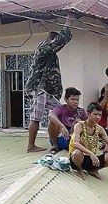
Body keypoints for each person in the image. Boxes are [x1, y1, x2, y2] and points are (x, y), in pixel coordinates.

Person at [25, 14, 73, 152]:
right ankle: (31, 146)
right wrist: (68, 21)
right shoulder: (44, 48)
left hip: (48, 90)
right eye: (55, 43)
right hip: (39, 88)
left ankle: (55, 143)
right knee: (36, 117)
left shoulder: (50, 54)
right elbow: (62, 40)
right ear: (50, 40)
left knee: (60, 112)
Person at [69, 102, 108, 179]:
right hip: (78, 159)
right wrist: (90, 153)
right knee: (77, 153)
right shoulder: (79, 125)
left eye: (100, 115)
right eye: (95, 114)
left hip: (91, 159)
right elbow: (75, 143)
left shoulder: (99, 129)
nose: (98, 117)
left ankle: (93, 170)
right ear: (88, 114)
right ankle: (79, 170)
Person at [47, 87, 87, 153]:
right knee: (52, 122)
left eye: (77, 100)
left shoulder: (81, 111)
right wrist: (62, 126)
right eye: (72, 99)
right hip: (60, 137)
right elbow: (50, 115)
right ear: (66, 100)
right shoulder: (61, 108)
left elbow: (86, 126)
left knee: (79, 122)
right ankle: (55, 146)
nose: (75, 102)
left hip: (73, 138)